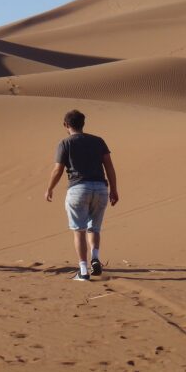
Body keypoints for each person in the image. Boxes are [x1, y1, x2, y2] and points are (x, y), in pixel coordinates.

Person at [45, 110, 119, 281]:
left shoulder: (65, 143)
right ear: (83, 123)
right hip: (100, 188)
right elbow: (109, 166)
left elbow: (58, 169)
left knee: (79, 230)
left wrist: (49, 188)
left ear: (66, 125)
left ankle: (83, 270)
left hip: (78, 189)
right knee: (94, 227)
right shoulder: (98, 141)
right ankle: (95, 257)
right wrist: (114, 189)